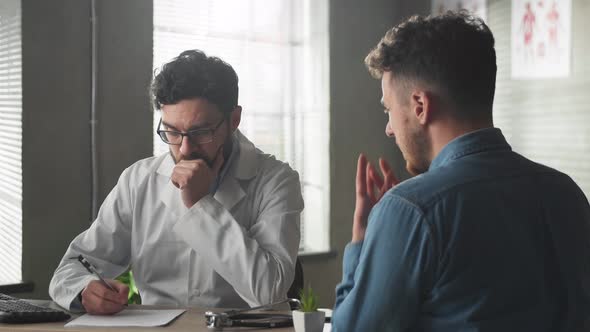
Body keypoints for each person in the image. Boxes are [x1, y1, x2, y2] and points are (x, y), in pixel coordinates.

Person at [332, 12, 590, 331]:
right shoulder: (567, 193)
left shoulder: (410, 210)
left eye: (388, 110)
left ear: (420, 106)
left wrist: (361, 243)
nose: (388, 128)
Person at [49, 50, 304, 315]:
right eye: (171, 131)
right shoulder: (138, 181)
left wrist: (200, 206)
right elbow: (73, 267)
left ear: (233, 121)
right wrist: (85, 289)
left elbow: (270, 291)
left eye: (200, 132)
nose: (184, 149)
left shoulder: (276, 181)